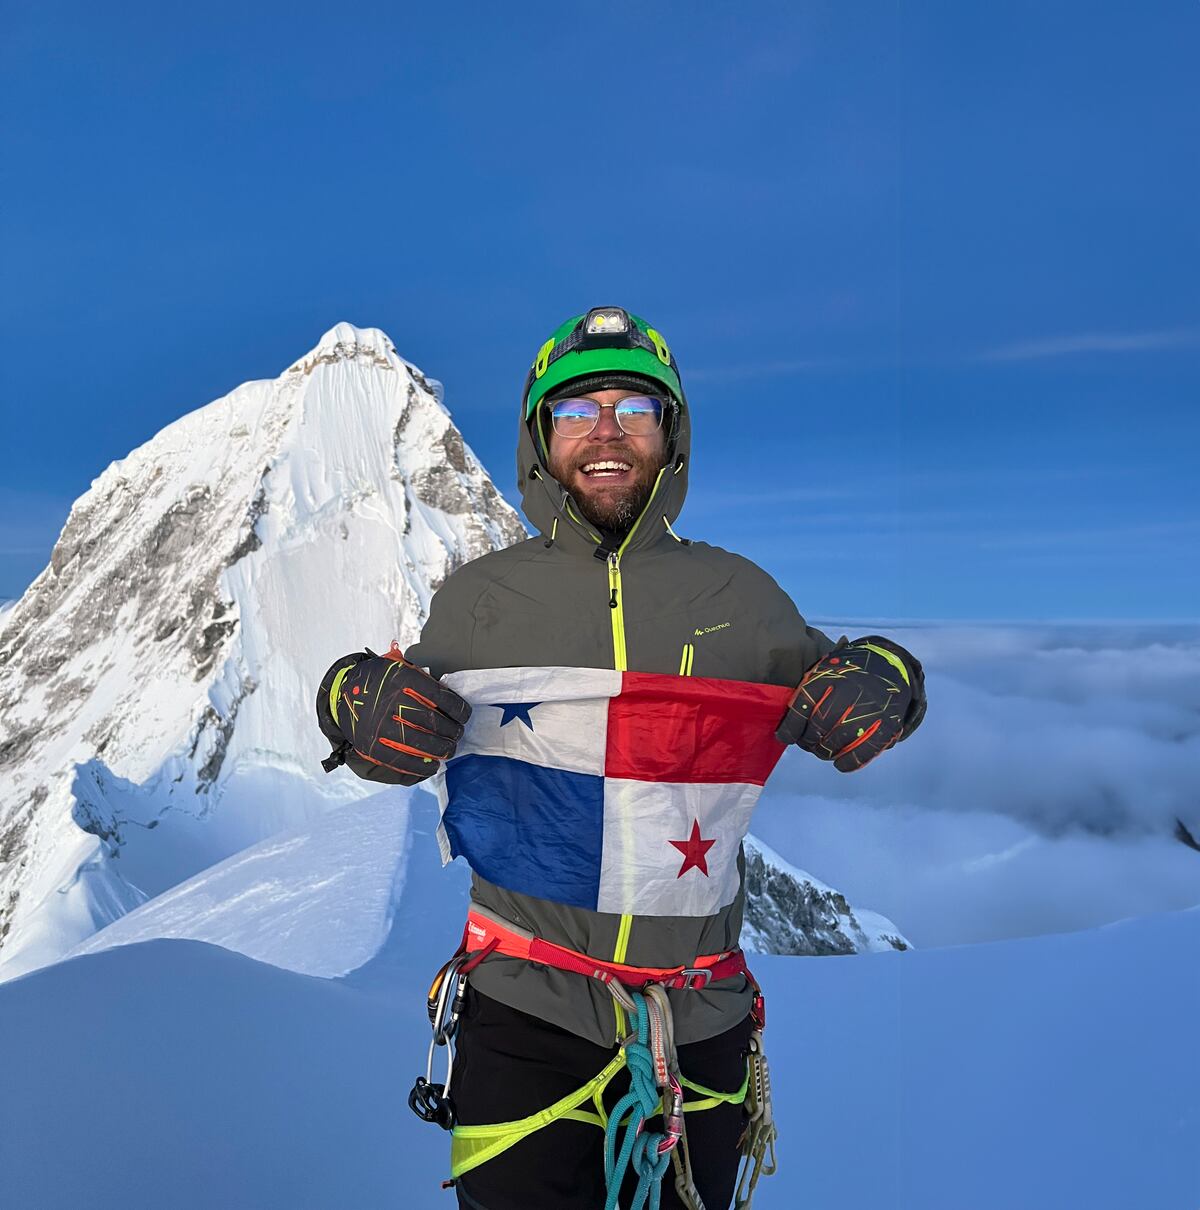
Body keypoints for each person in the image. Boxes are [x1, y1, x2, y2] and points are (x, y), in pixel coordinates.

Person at [316, 307, 927, 1209]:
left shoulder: (744, 598)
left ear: (670, 435)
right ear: (540, 438)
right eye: (576, 412)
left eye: (634, 406)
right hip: (524, 1016)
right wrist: (352, 701)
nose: (606, 432)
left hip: (700, 1027)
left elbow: (861, 685)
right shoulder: (479, 601)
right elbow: (380, 721)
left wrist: (887, 679)